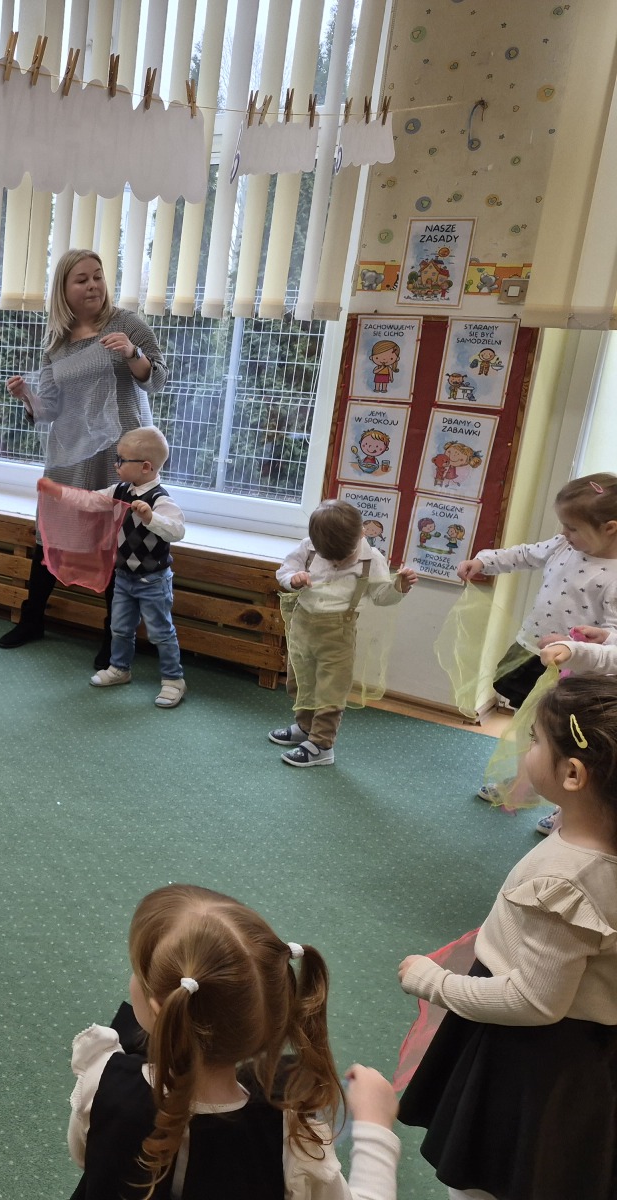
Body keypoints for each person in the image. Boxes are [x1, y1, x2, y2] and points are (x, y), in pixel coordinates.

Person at [399, 674, 617, 1200]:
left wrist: (434, 982)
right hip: (585, 1049)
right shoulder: (589, 849)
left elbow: (532, 1001)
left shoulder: (567, 879)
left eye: (535, 740)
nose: (525, 748)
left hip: (532, 1060)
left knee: (488, 1180)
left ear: (573, 773)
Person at [67, 883, 400, 1198]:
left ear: (160, 1011)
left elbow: (86, 1157)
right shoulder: (293, 1143)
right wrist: (376, 1126)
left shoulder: (101, 1079)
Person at [0, 249, 168, 662]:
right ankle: (32, 619)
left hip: (121, 453)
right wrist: (27, 396)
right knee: (53, 532)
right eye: (82, 279)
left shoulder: (127, 324)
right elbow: (50, 410)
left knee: (117, 539)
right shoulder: (56, 342)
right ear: (64, 288)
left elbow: (157, 380)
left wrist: (132, 353)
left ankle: (114, 637)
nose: (93, 285)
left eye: (98, 276)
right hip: (70, 453)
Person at [271, 500, 415, 768]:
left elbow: (381, 596)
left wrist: (400, 587)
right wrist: (294, 579)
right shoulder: (308, 547)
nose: (336, 562)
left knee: (331, 690)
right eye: (329, 557)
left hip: (338, 633)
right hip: (302, 625)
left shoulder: (371, 559)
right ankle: (305, 728)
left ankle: (322, 745)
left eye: (342, 556)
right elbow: (285, 570)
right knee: (301, 680)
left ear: (362, 533)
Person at [458, 473, 617, 710]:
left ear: (609, 528)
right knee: (523, 708)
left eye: (572, 528)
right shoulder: (563, 545)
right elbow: (524, 555)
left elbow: (611, 636)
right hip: (531, 646)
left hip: (570, 664)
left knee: (552, 716)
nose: (564, 532)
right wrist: (483, 562)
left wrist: (573, 645)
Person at [75, 426, 188, 708]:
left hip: (153, 581)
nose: (116, 465)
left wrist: (150, 518)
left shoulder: (161, 499)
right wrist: (63, 494)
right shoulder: (120, 490)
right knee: (120, 627)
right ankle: (120, 668)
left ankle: (173, 679)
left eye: (121, 460)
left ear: (146, 467)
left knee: (161, 632)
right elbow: (94, 500)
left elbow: (177, 531)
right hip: (123, 577)